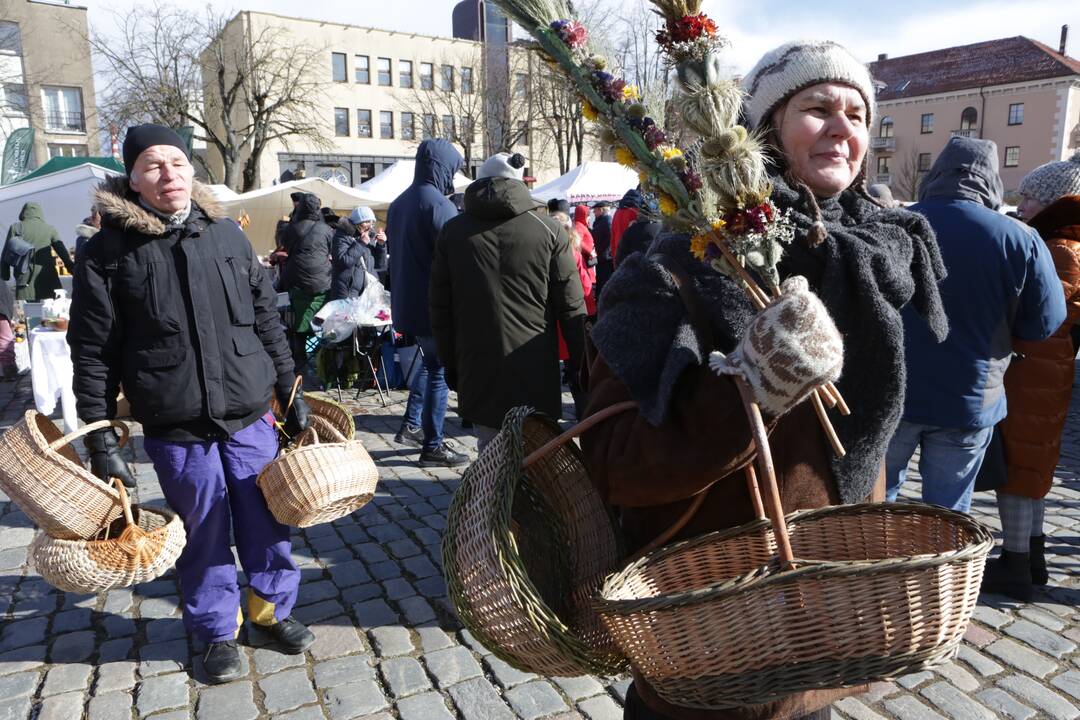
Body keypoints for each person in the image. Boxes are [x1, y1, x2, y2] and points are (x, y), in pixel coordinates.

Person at [582, 40, 949, 720]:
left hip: (819, 652)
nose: (844, 127)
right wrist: (750, 385)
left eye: (858, 114)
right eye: (817, 108)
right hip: (705, 650)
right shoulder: (680, 260)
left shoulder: (874, 262)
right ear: (760, 131)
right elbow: (615, 465)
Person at [68, 124, 314, 684]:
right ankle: (213, 631)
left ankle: (270, 611)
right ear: (131, 178)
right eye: (152, 165)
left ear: (192, 170)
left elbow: (266, 322)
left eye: (177, 162)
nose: (168, 174)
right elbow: (92, 351)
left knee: (266, 519)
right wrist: (101, 438)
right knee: (202, 530)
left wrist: (290, 391)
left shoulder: (227, 236)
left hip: (250, 414)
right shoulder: (107, 252)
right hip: (176, 424)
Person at [885, 137, 1064, 514]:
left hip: (893, 391)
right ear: (993, 181)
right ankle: (941, 574)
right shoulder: (1020, 238)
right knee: (948, 514)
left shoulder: (892, 224)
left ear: (936, 174)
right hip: (969, 395)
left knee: (874, 504)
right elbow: (1044, 324)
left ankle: (872, 572)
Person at [430, 152, 585, 450]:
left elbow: (440, 310)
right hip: (535, 364)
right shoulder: (549, 229)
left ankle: (494, 497)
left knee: (490, 456)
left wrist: (451, 365)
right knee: (538, 459)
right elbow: (571, 305)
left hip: (477, 363)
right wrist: (579, 364)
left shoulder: (453, 232)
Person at [983, 151, 1080, 600]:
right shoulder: (1063, 243)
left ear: (1056, 201)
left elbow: (1041, 311)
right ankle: (1031, 557)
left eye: (1029, 199)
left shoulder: (1060, 249)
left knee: (1020, 465)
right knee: (1032, 463)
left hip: (1034, 370)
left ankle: (1017, 563)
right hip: (1045, 370)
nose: (1019, 207)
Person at [388, 138, 468, 466]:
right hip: (433, 306)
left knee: (429, 364)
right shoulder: (439, 205)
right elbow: (457, 260)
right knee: (438, 371)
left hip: (408, 303)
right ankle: (433, 445)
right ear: (441, 167)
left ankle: (412, 425)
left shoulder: (399, 203)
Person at [280, 192, 332, 375]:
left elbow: (284, 246)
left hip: (296, 282)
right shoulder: (325, 229)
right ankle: (322, 361)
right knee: (322, 322)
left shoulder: (291, 229)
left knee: (297, 327)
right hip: (322, 284)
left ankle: (299, 364)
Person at [1, 202, 72, 301]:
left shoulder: (16, 228)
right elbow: (63, 252)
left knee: (28, 313)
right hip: (48, 279)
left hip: (24, 281)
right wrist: (72, 269)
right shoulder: (50, 229)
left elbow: (6, 253)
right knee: (49, 313)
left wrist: (5, 275)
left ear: (23, 213)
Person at [329, 206, 386, 301]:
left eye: (372, 222)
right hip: (348, 292)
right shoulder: (342, 236)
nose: (370, 226)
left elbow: (380, 265)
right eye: (367, 222)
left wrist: (381, 245)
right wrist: (361, 243)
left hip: (367, 291)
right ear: (357, 223)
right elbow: (344, 261)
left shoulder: (369, 235)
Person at [608, 188, 641, 265]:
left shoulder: (617, 212)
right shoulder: (636, 212)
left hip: (618, 254)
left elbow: (612, 235)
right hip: (630, 255)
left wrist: (614, 257)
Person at [592, 200, 614, 300]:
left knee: (604, 282)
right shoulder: (604, 221)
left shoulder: (605, 222)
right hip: (605, 257)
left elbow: (595, 238)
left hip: (605, 258)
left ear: (601, 210)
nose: (594, 213)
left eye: (595, 211)